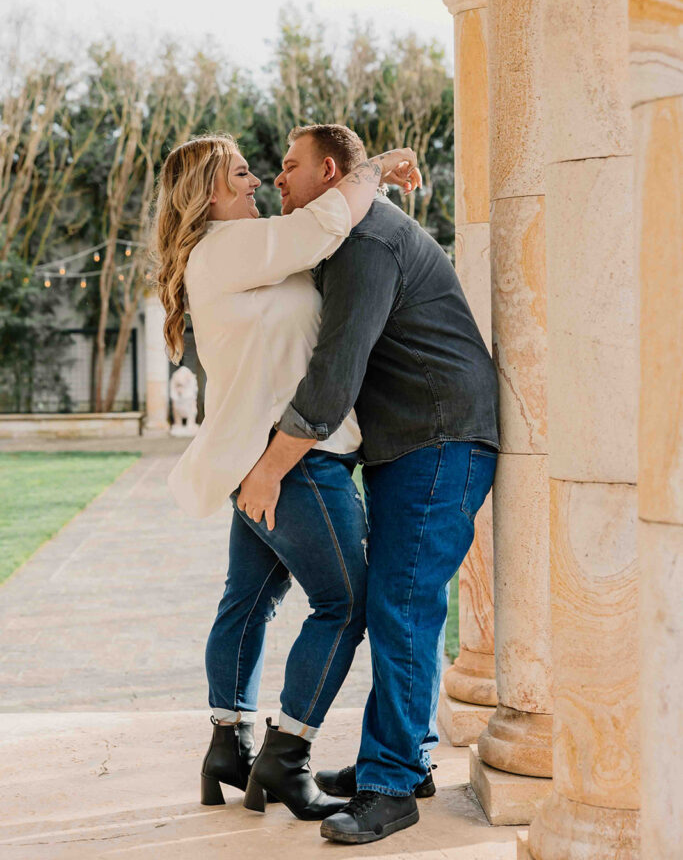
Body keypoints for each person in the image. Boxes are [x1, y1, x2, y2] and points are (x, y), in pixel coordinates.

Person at [238, 123, 500, 845]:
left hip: (438, 436)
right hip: (411, 442)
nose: (277, 180)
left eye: (288, 167)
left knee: (399, 604)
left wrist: (266, 469)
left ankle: (389, 786)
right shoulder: (347, 233)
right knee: (404, 601)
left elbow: (333, 374)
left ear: (328, 172)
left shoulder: (363, 242)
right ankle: (403, 758)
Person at [153, 132, 420, 822]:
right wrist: (377, 168)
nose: (256, 182)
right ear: (208, 193)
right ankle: (287, 753)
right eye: (241, 174)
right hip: (293, 458)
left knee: (248, 598)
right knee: (345, 605)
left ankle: (229, 743)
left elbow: (319, 235)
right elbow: (325, 222)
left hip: (258, 454)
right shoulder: (226, 244)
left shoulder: (236, 253)